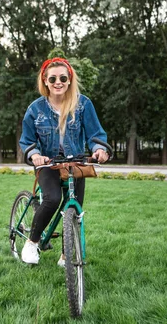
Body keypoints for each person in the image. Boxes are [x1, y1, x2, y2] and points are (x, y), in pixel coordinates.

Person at [18, 56, 109, 265]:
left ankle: (65, 254)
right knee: (51, 198)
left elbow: (95, 134)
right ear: (45, 82)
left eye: (62, 78)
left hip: (75, 163)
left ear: (69, 80)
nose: (58, 82)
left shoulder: (83, 104)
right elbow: (28, 140)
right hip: (48, 163)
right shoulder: (35, 109)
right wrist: (35, 155)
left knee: (74, 207)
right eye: (52, 79)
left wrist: (99, 149)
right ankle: (32, 243)